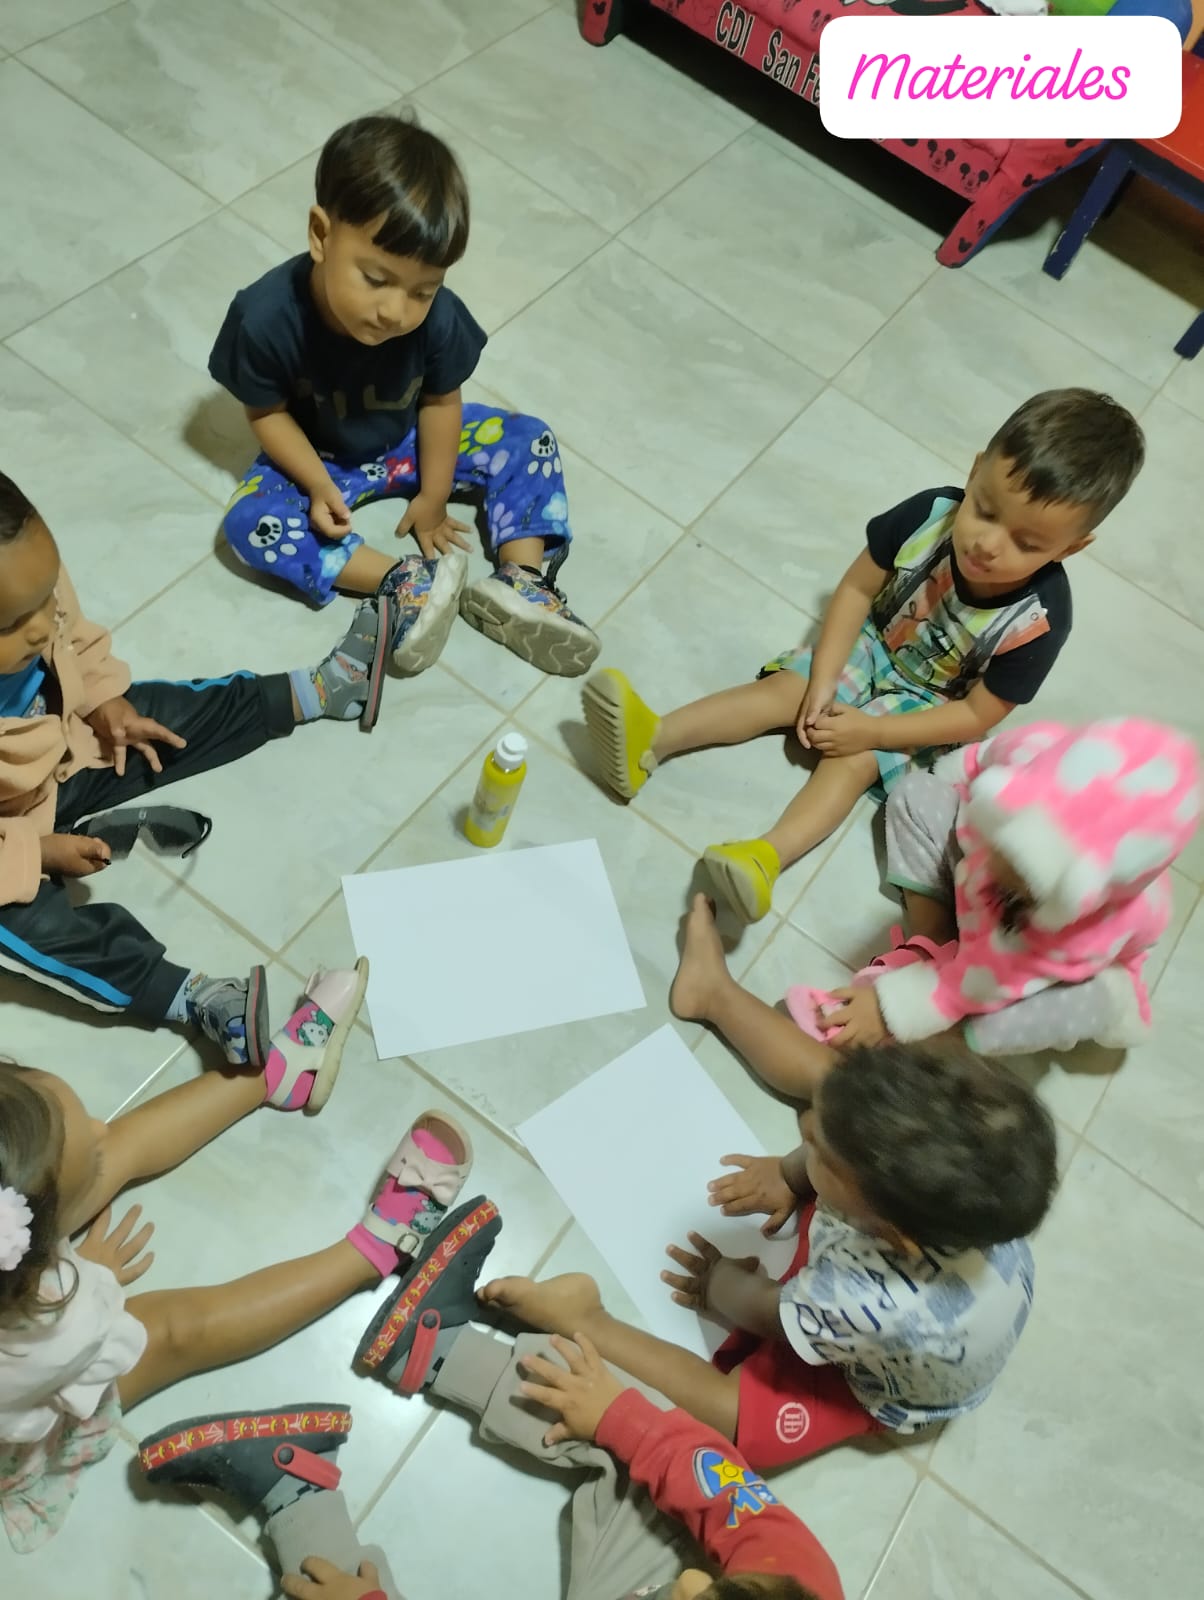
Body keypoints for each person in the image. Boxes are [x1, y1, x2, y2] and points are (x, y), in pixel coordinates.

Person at [475, 896, 1056, 1474]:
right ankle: (714, 993)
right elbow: (841, 1133)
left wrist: (720, 1285)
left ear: (885, 1226)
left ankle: (587, 1319)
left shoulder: (862, 1297)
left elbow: (769, 1315)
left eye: (819, 1152)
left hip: (887, 1373)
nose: (803, 1130)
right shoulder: (969, 1198)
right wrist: (790, 1173)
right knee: (837, 1097)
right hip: (896, 1274)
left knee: (740, 1426)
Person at [581, 389, 1145, 922]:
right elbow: (855, 590)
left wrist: (873, 733)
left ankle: (764, 858)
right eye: (986, 510)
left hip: (931, 705)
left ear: (1071, 548)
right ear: (975, 471)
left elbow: (977, 715)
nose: (988, 544)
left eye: (1027, 543)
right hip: (875, 639)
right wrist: (824, 677)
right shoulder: (929, 514)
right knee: (786, 690)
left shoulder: (1040, 620)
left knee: (851, 763)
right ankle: (650, 738)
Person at [0, 1031, 479, 1552]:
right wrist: (85, 1285)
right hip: (25, 1401)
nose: (99, 1124)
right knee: (168, 1329)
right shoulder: (44, 1342)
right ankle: (376, 1251)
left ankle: (277, 1073)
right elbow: (78, 1341)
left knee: (91, 1154)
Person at [0, 470, 386, 1060]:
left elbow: (70, 635)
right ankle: (193, 997)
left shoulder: (28, 591)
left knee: (159, 720)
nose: (39, 626)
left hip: (64, 746)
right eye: (10, 624)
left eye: (46, 594)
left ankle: (317, 691)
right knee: (29, 928)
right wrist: (38, 853)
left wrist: (103, 701)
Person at [210, 112, 599, 678]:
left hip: (411, 436)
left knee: (529, 439)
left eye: (423, 290)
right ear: (321, 235)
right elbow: (265, 412)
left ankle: (523, 581)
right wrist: (316, 484)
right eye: (375, 279)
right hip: (318, 457)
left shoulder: (438, 320)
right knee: (251, 522)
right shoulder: (265, 317)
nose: (396, 311)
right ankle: (406, 582)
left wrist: (434, 496)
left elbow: (441, 402)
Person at [158, 1333, 840, 1600]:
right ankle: (435, 1348)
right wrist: (617, 1417)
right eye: (715, 1592)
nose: (690, 1582)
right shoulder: (799, 1582)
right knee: (644, 1431)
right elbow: (710, 1476)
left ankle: (297, 1492)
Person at [797, 718, 1202, 1057]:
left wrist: (892, 1012)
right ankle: (932, 943)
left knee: (1027, 1017)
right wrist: (960, 784)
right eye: (1005, 840)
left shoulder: (1082, 932)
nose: (1001, 867)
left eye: (1025, 877)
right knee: (914, 794)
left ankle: (944, 1038)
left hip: (1040, 960)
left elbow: (976, 986)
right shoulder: (1034, 749)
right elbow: (976, 759)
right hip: (990, 905)